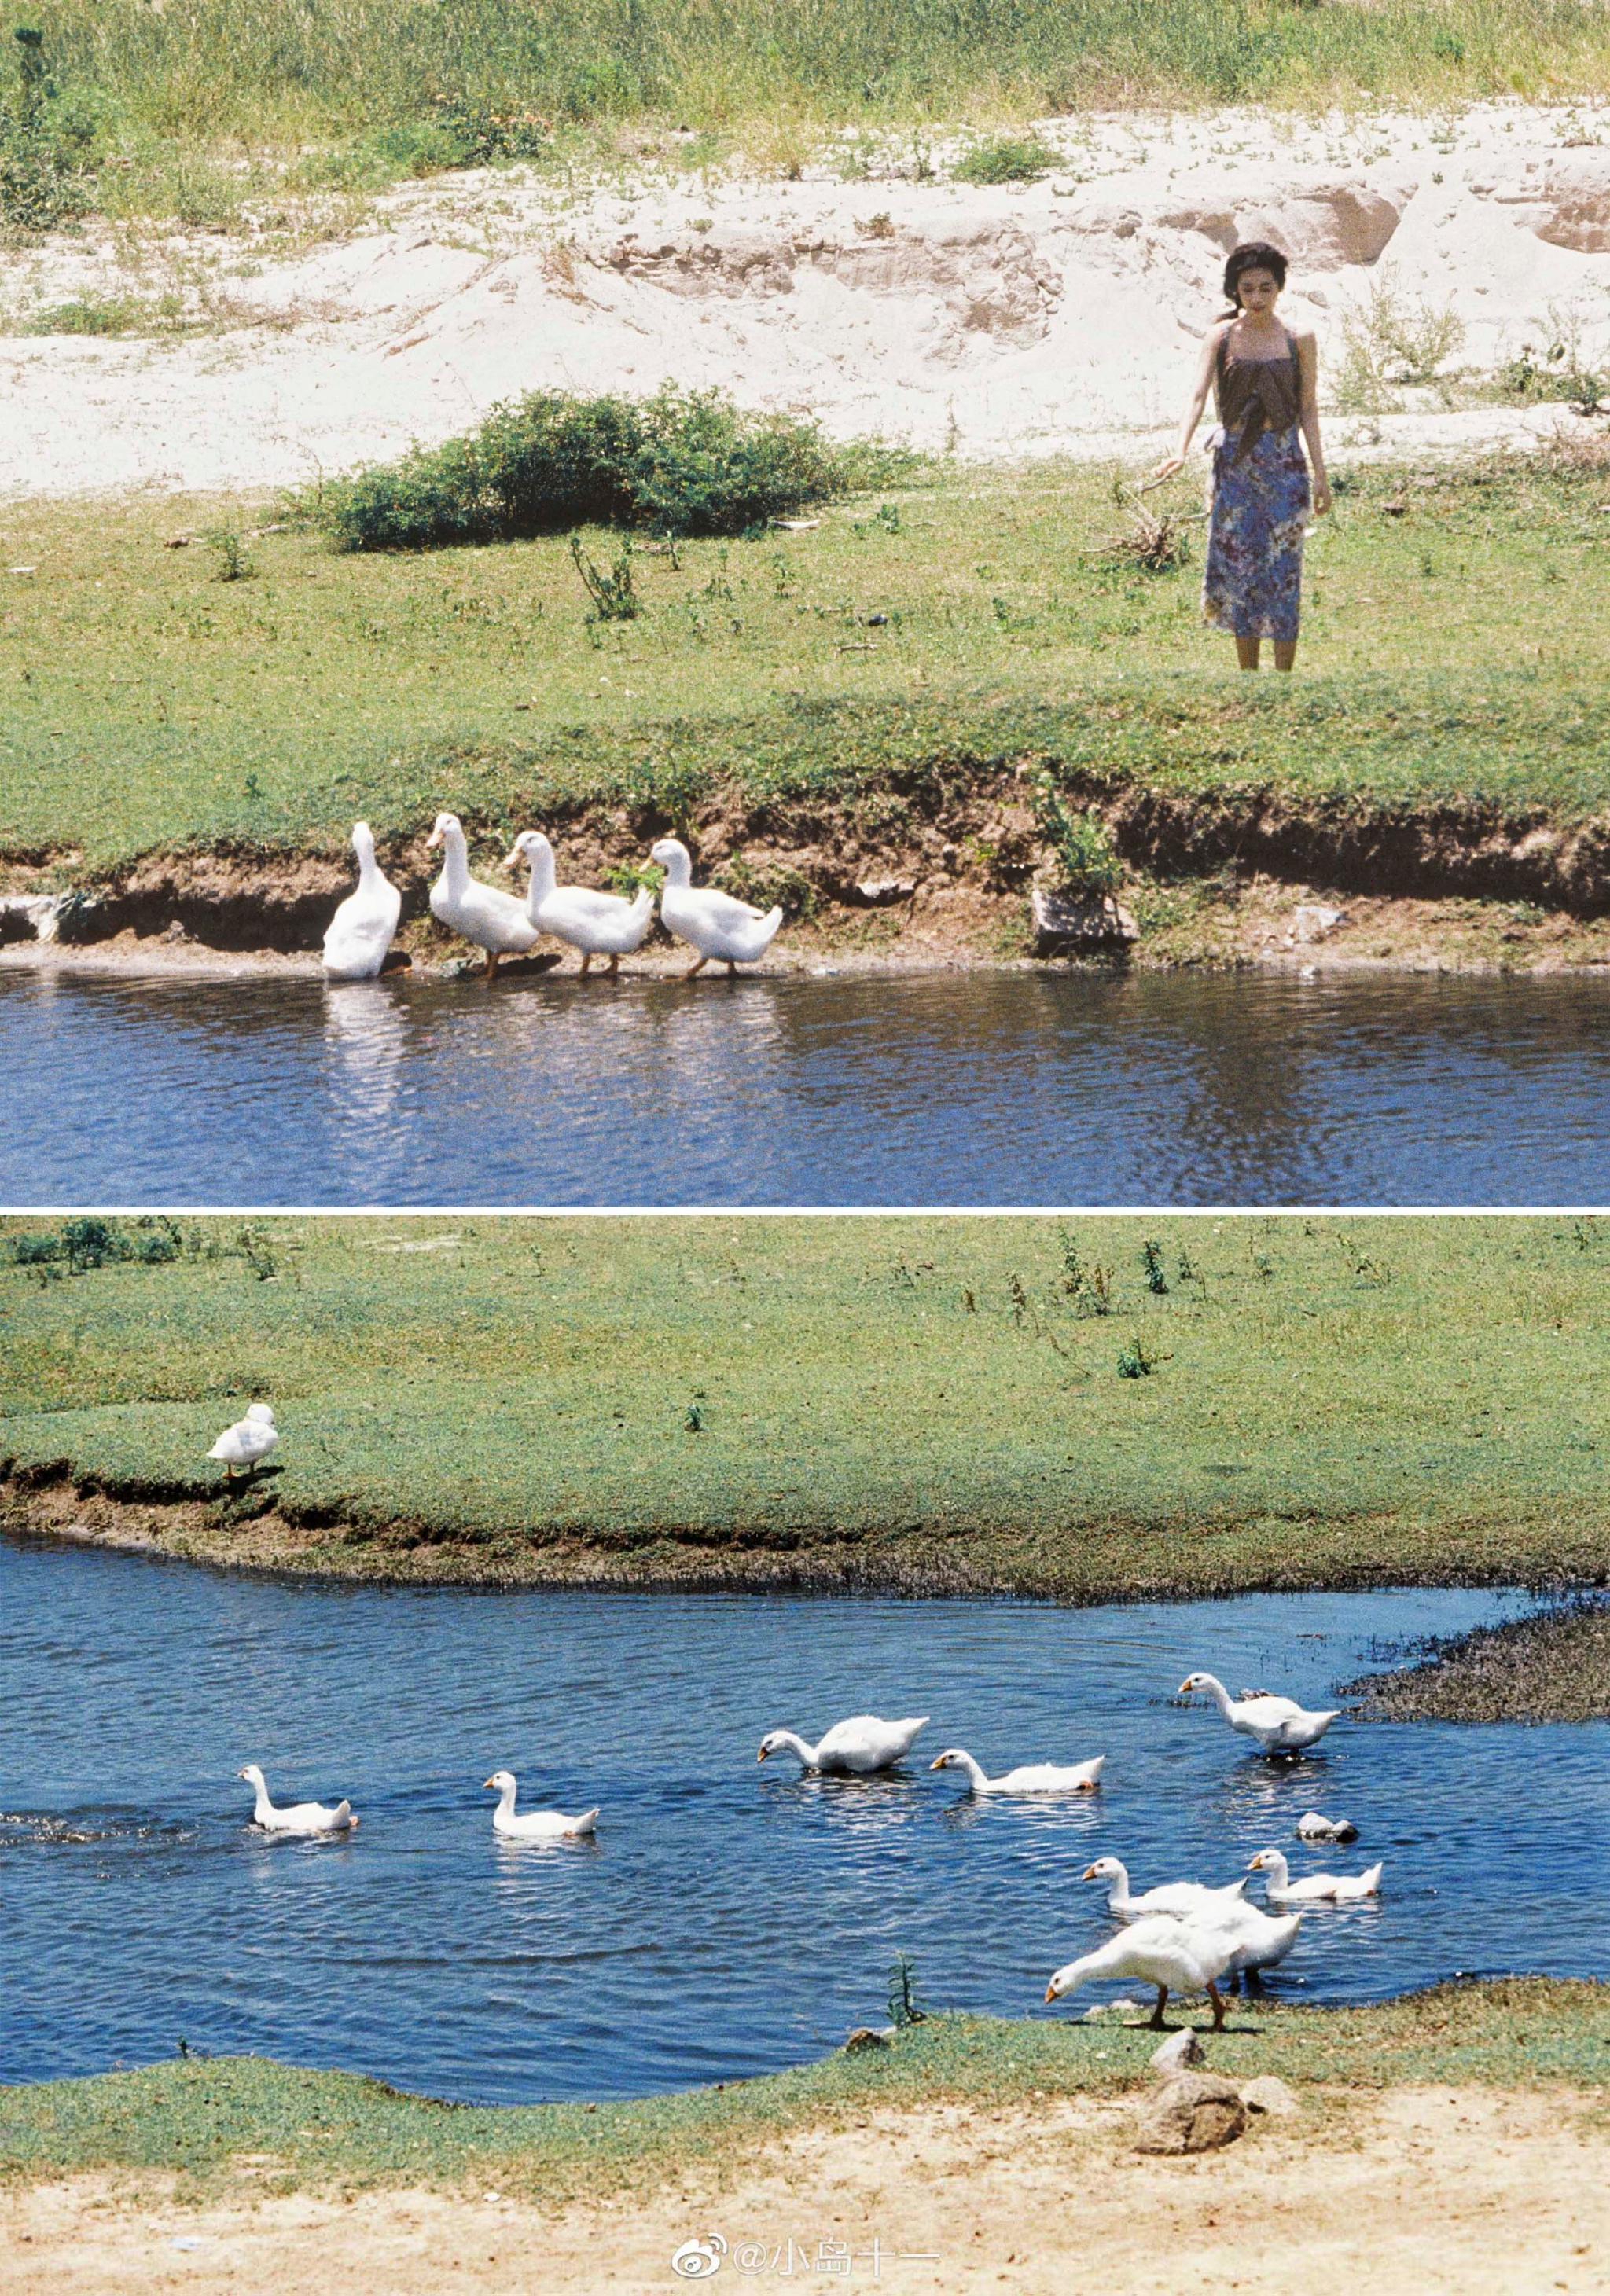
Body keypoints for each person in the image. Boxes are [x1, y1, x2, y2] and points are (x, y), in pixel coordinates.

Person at [1152, 240, 1332, 671]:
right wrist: (1179, 449)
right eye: (1247, 289)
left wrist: (1321, 475)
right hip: (1235, 467)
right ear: (1235, 290)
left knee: (1283, 569)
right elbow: (1197, 395)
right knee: (1239, 567)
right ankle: (1248, 677)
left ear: (1279, 288)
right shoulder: (1221, 337)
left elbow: (1308, 407)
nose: (1256, 299)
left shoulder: (1298, 338)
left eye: (1265, 288)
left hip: (1287, 466)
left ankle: (1284, 676)